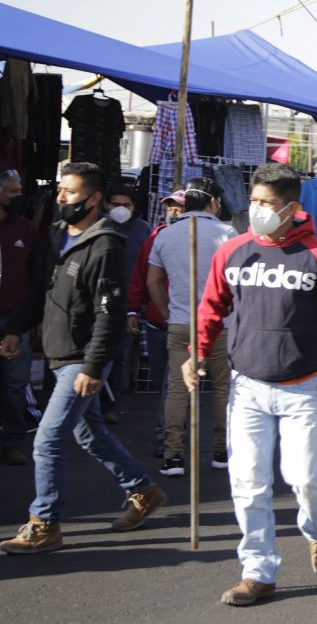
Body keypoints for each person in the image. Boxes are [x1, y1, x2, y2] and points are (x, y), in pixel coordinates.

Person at [184, 163, 317, 605]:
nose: (257, 210)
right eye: (254, 200)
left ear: (292, 208)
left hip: (302, 388)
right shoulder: (232, 251)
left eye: (267, 204)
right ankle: (258, 571)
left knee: (306, 478)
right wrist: (196, 351)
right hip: (246, 386)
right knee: (248, 483)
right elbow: (210, 308)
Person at [0, 162, 166, 555]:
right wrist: (15, 329)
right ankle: (143, 490)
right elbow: (43, 289)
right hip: (60, 353)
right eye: (60, 190)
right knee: (86, 431)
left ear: (93, 199)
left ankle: (45, 522)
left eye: (70, 192)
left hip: (83, 357)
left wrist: (93, 367)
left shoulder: (106, 243)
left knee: (47, 439)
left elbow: (110, 312)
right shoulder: (57, 233)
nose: (60, 198)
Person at [148, 177, 237, 477]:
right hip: (220, 324)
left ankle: (173, 455)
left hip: (180, 322)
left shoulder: (164, 235)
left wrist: (166, 312)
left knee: (178, 388)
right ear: (214, 202)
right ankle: (222, 451)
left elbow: (153, 282)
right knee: (223, 387)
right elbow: (236, 284)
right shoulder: (228, 233)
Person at [127, 189, 185, 458]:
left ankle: (168, 438)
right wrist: (132, 310)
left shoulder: (195, 239)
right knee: (165, 382)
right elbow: (140, 276)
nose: (173, 213)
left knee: (171, 386)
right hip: (155, 325)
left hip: (181, 326)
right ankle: (173, 432)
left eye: (179, 208)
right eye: (170, 208)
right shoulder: (155, 237)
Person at [0, 168, 44, 465]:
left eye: (19, 191)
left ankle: (13, 441)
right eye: (12, 192)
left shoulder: (27, 230)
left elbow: (37, 277)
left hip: (15, 319)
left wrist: (36, 318)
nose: (19, 197)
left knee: (15, 383)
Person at [98, 184, 152, 425]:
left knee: (119, 356)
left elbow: (149, 269)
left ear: (134, 207)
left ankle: (110, 404)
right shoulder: (97, 226)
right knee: (95, 354)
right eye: (116, 205)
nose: (121, 210)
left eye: (126, 205)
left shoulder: (143, 231)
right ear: (106, 205)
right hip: (96, 303)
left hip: (126, 305)